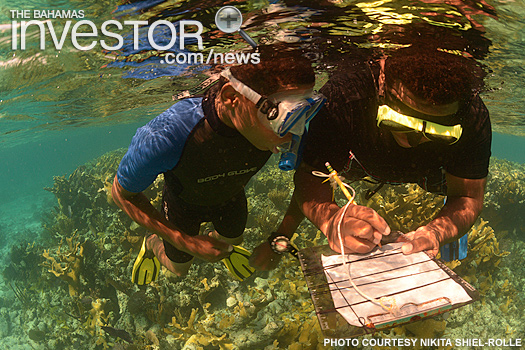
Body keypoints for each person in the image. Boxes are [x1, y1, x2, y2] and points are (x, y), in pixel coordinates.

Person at [250, 46, 491, 270]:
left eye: (439, 132)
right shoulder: (344, 96)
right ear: (382, 87)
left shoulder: (473, 117)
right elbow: (311, 175)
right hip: (362, 159)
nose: (413, 142)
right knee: (325, 176)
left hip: (431, 172)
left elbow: (467, 196)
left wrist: (438, 231)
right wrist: (331, 220)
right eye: (401, 123)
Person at [112, 47, 325, 281]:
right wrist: (186, 242)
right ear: (231, 97)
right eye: (282, 116)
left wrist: (279, 240)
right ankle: (153, 244)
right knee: (179, 270)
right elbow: (122, 193)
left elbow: (311, 181)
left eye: (304, 110)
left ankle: (216, 245)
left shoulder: (266, 126)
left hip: (230, 199)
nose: (293, 134)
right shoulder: (168, 136)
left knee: (233, 243)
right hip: (182, 207)